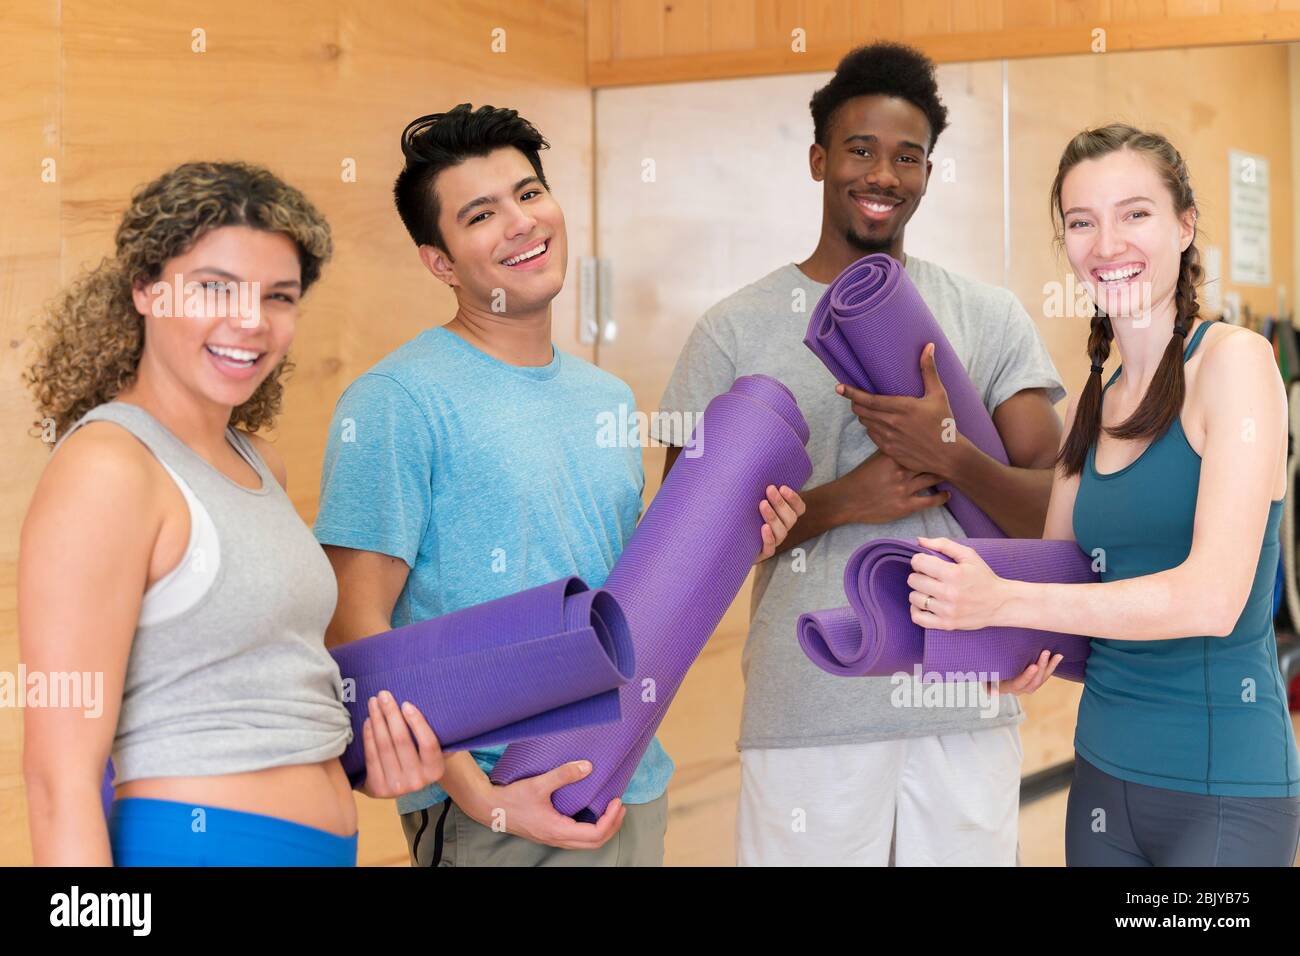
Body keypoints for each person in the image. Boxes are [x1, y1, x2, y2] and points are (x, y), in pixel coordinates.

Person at [314, 104, 804, 867]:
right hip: (498, 805)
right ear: (438, 262)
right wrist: (481, 797)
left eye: (529, 192)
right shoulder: (396, 401)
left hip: (629, 780)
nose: (520, 223)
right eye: (481, 214)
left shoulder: (605, 397)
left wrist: (739, 536)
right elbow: (354, 630)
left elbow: (636, 595)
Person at [653, 42, 1068, 866]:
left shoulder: (987, 318)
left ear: (927, 173)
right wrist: (849, 498)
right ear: (818, 160)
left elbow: (1055, 511)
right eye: (861, 150)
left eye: (908, 157)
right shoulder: (734, 330)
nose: (884, 173)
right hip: (809, 710)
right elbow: (682, 549)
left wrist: (951, 456)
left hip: (968, 698)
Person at [20, 161, 443, 867]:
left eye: (278, 296)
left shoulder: (258, 462)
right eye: (214, 287)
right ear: (145, 290)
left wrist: (369, 762)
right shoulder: (109, 469)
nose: (250, 321)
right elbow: (57, 780)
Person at [909, 124, 1300, 866]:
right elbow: (1060, 582)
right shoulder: (1094, 402)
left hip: (1224, 793)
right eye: (1082, 222)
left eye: (1135, 214)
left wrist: (1005, 603)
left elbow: (1212, 599)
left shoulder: (1237, 364)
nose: (1106, 242)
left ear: (1186, 226)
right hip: (1101, 790)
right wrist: (1010, 647)